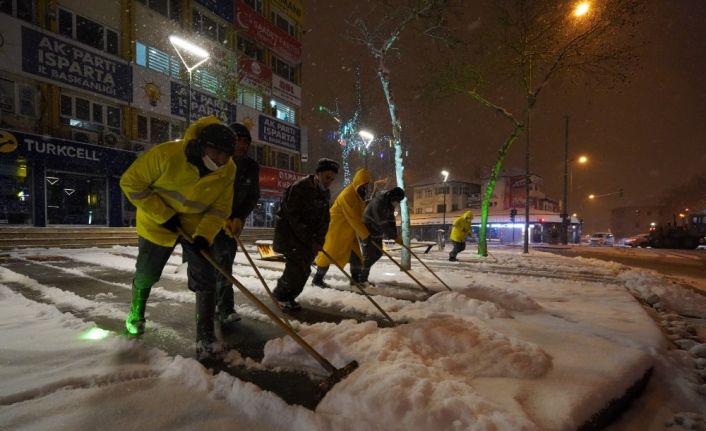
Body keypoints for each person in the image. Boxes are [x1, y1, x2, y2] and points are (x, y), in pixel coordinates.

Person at [120, 116, 236, 356]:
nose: (221, 160)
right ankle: (136, 313)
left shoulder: (228, 170)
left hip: (195, 227)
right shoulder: (167, 155)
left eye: (227, 154)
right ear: (201, 145)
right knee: (147, 272)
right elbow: (131, 183)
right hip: (157, 223)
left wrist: (204, 235)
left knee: (206, 276)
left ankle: (205, 337)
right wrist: (164, 215)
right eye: (216, 152)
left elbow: (219, 209)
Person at [271, 158, 339, 311]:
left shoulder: (324, 193)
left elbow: (324, 219)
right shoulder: (299, 188)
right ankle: (281, 296)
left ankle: (290, 297)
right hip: (291, 238)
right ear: (318, 174)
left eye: (332, 179)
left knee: (305, 269)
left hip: (308, 240)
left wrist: (320, 239)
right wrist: (309, 239)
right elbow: (293, 218)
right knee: (295, 269)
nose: (329, 181)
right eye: (327, 177)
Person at [211, 122, 260, 326]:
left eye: (245, 142)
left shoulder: (251, 167)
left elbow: (252, 196)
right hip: (211, 221)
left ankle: (219, 305)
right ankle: (222, 307)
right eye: (238, 141)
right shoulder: (217, 161)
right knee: (215, 264)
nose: (242, 146)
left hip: (232, 224)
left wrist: (239, 217)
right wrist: (219, 215)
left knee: (224, 263)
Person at [312, 168, 372, 288]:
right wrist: (365, 235)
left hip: (349, 230)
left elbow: (360, 216)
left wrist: (365, 231)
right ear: (358, 182)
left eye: (366, 186)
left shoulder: (358, 195)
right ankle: (317, 280)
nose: (364, 188)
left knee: (356, 256)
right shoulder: (347, 195)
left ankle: (355, 280)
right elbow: (354, 218)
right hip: (336, 229)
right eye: (363, 185)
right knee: (327, 255)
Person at [350, 187, 405, 286]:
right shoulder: (378, 203)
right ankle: (361, 279)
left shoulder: (389, 203)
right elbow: (382, 223)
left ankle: (362, 276)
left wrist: (395, 235)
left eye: (399, 201)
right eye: (397, 200)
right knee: (369, 255)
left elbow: (391, 220)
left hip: (377, 231)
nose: (397, 203)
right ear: (391, 197)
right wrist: (393, 236)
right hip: (367, 230)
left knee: (378, 253)